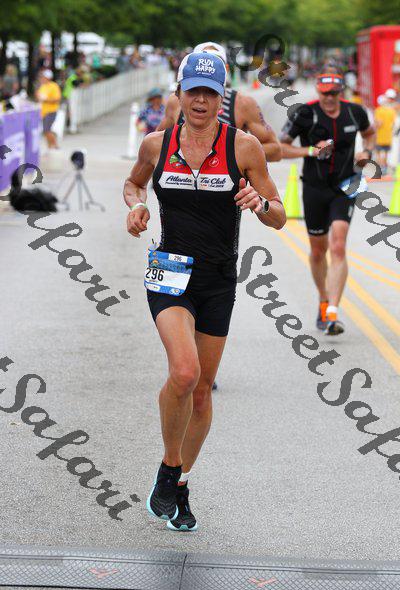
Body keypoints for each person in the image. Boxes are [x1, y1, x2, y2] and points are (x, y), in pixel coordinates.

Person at [123, 52, 285, 532]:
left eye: (209, 93)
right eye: (192, 90)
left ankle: (181, 481)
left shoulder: (244, 148)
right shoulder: (157, 144)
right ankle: (169, 466)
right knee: (184, 371)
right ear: (179, 93)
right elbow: (133, 184)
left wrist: (260, 204)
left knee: (200, 394)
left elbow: (278, 214)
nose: (200, 100)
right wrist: (134, 207)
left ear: (222, 98)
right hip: (170, 271)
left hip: (217, 278)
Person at [279, 69, 375, 335]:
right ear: (317, 92)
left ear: (341, 91)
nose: (329, 98)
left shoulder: (355, 112)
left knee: (339, 245)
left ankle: (333, 311)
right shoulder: (304, 114)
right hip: (314, 187)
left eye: (334, 93)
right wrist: (311, 150)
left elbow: (370, 134)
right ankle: (323, 298)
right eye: (324, 94)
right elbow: (280, 147)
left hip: (347, 184)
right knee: (318, 250)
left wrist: (367, 152)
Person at [157, 41, 282, 162]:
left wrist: (232, 153)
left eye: (215, 63)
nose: (208, 69)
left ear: (226, 69)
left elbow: (275, 150)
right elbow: (156, 145)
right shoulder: (174, 101)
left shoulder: (243, 103)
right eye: (201, 62)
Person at [36, 69, 62, 149]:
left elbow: (57, 99)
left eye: (43, 77)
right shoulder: (42, 86)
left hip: (51, 111)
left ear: (48, 78)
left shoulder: (54, 86)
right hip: (43, 112)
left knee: (47, 130)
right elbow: (38, 97)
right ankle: (50, 146)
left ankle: (55, 145)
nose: (42, 78)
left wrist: (46, 99)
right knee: (46, 130)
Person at [374, 94, 397, 175]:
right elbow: (393, 124)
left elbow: (379, 123)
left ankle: (381, 168)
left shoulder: (378, 111)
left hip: (379, 136)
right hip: (388, 136)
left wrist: (375, 127)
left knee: (379, 152)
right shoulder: (391, 111)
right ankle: (385, 168)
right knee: (386, 153)